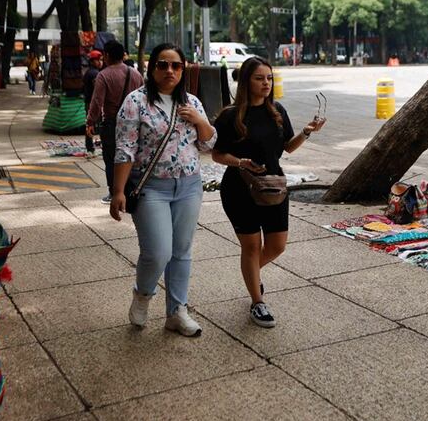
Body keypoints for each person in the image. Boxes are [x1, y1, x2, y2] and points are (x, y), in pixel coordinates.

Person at [211, 57, 326, 328]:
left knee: (277, 245)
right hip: (239, 188)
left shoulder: (277, 111)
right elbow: (217, 154)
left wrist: (306, 132)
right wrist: (240, 162)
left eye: (269, 78)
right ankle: (257, 302)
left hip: (273, 187)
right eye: (259, 78)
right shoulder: (231, 115)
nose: (266, 83)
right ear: (246, 82)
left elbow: (287, 147)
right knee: (250, 246)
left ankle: (250, 273)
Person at [109, 43, 216, 337]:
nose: (169, 71)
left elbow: (209, 143)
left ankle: (176, 312)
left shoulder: (192, 102)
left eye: (176, 66)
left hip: (189, 185)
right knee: (158, 252)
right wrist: (118, 191)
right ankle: (142, 295)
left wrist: (200, 121)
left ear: (183, 69)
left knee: (181, 251)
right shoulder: (136, 101)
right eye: (162, 65)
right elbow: (125, 149)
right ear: (152, 68)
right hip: (151, 188)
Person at [87, 41, 144, 203]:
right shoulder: (136, 74)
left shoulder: (104, 75)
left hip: (112, 124)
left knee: (112, 158)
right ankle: (132, 188)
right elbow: (143, 99)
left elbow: (97, 102)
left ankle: (114, 192)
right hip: (135, 123)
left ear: (107, 56)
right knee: (133, 156)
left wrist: (90, 121)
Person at [82, 50, 104, 156]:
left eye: (101, 60)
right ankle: (90, 148)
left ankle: (89, 148)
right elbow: (98, 90)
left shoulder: (89, 72)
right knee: (96, 125)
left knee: (90, 124)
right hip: (93, 103)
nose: (100, 62)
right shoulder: (95, 74)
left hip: (89, 102)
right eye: (98, 60)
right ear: (92, 61)